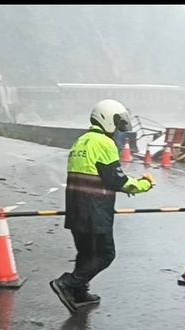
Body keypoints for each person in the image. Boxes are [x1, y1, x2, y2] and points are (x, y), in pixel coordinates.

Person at [50, 99, 156, 313]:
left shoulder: (81, 141)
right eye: (117, 123)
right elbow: (117, 181)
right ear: (107, 119)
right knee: (105, 254)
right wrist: (145, 183)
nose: (118, 129)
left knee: (86, 253)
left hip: (76, 209)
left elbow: (95, 175)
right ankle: (68, 283)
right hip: (95, 211)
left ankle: (79, 292)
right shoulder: (104, 143)